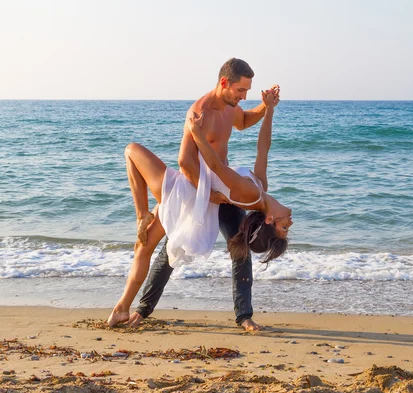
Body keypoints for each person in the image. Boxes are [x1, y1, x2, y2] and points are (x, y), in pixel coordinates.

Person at [110, 58, 284, 331]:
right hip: (199, 191)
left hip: (225, 191)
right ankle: (142, 309)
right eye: (241, 91)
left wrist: (266, 105)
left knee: (239, 248)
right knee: (172, 248)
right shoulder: (200, 112)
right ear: (224, 83)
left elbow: (243, 122)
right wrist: (208, 193)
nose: (243, 97)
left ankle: (244, 316)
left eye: (247, 92)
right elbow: (184, 162)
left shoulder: (231, 107)